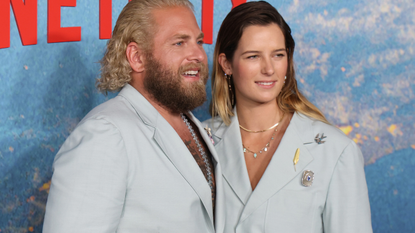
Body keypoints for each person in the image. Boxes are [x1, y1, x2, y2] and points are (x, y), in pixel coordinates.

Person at [43, 0, 225, 232]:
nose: (198, 54)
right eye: (179, 43)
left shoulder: (192, 124)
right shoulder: (106, 135)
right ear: (137, 57)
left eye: (198, 41)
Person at [204, 1, 372, 232]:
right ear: (227, 64)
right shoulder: (199, 143)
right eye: (253, 56)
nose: (269, 69)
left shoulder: (334, 151)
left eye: (278, 55)